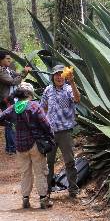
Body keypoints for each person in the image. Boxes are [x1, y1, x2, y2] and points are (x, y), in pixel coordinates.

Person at [0, 82, 54, 209]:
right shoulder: (34, 106)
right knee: (40, 171)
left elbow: (1, 118)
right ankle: (43, 199)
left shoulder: (14, 107)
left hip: (20, 146)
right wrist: (50, 137)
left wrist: (10, 125)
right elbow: (46, 124)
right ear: (30, 93)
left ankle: (25, 198)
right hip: (35, 144)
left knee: (25, 172)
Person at [40, 64, 81, 197]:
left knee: (69, 161)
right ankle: (47, 191)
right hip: (50, 132)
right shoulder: (47, 90)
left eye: (61, 74)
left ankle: (73, 190)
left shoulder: (69, 89)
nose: (59, 77)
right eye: (56, 74)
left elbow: (77, 99)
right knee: (49, 162)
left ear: (65, 76)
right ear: (52, 76)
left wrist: (73, 82)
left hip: (65, 132)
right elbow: (43, 108)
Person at [0, 52, 31, 155]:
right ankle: (12, 148)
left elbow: (17, 75)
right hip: (6, 100)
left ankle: (10, 147)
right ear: (1, 60)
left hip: (11, 98)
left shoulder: (7, 70)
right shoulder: (1, 71)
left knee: (10, 122)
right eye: (7, 59)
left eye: (10, 59)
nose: (10, 60)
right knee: (10, 122)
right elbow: (13, 82)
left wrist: (24, 71)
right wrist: (23, 74)